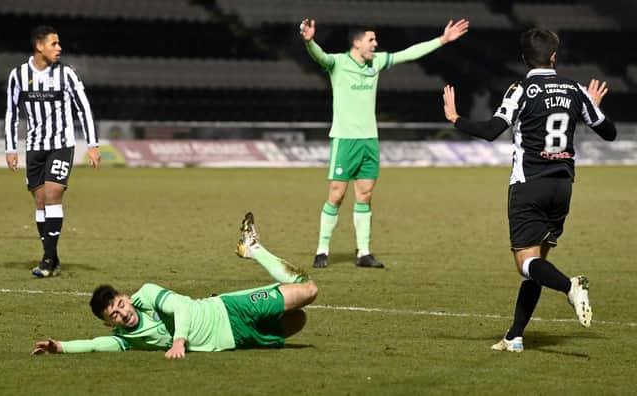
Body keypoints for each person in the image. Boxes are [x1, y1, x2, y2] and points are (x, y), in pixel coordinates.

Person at [441, 28, 617, 352]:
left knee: (525, 262)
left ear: (524, 58)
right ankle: (515, 336)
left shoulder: (521, 89)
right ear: (553, 56)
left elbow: (493, 130)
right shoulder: (576, 90)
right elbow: (609, 132)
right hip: (562, 186)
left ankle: (570, 286)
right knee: (537, 266)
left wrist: (455, 119)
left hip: (529, 184)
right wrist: (593, 106)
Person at [300, 18, 469, 269]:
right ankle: (322, 250)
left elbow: (408, 54)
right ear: (357, 43)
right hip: (345, 139)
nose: (376, 44)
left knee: (365, 195)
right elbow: (320, 57)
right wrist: (309, 41)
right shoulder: (338, 63)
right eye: (371, 40)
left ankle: (364, 253)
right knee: (336, 195)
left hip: (369, 139)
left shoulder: (376, 62)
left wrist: (442, 40)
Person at [31, 213, 318, 358]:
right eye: (114, 315)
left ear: (126, 298)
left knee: (308, 290)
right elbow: (94, 345)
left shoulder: (147, 294)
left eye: (120, 305)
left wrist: (179, 340)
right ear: (109, 323)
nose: (122, 313)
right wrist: (61, 347)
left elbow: (180, 305)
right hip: (236, 340)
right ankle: (253, 248)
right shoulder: (127, 340)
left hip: (228, 310)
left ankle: (253, 248)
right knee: (298, 320)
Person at [4, 25, 101, 278]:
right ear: (39, 46)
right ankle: (53, 256)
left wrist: (92, 144)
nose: (59, 48)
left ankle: (47, 260)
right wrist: (11, 147)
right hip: (34, 146)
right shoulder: (19, 75)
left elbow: (84, 108)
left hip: (61, 144)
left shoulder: (67, 74)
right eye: (54, 43)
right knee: (39, 201)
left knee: (52, 194)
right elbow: (12, 113)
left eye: (59, 44)